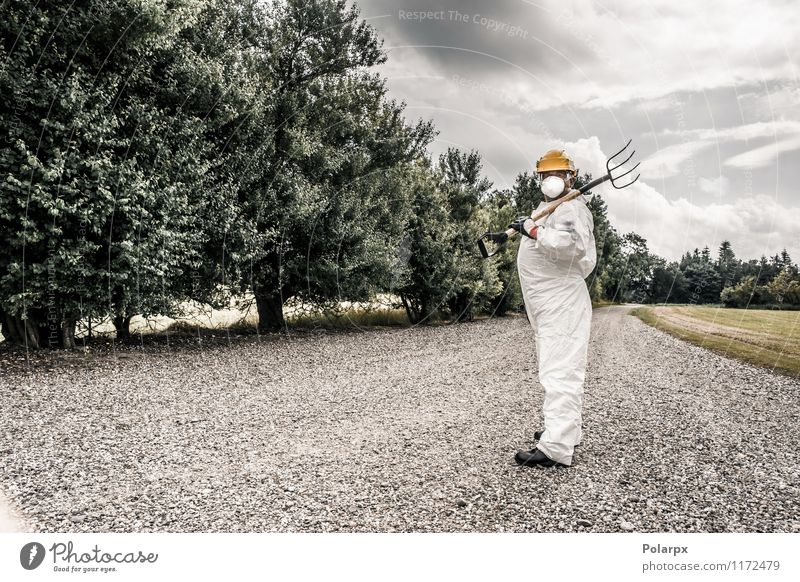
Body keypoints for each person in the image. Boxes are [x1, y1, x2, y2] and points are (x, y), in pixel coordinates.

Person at [507, 149, 597, 468]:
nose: (551, 180)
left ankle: (556, 447)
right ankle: (562, 432)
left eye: (558, 174)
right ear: (539, 179)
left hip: (562, 303)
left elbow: (571, 247)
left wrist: (532, 231)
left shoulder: (571, 207)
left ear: (571, 177)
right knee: (557, 369)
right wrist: (531, 226)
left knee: (560, 372)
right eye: (546, 175)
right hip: (552, 304)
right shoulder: (551, 208)